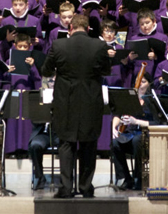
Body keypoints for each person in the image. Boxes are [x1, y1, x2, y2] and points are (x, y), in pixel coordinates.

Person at [41, 14, 111, 199]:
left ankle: (66, 188)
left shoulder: (58, 45)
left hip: (66, 101)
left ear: (70, 28)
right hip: (90, 100)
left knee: (66, 143)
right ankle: (86, 187)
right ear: (88, 29)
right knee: (88, 144)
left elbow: (46, 70)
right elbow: (106, 70)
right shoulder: (99, 45)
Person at [110, 71, 157, 190]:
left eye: (143, 81)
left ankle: (139, 178)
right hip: (130, 134)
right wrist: (113, 128)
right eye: (138, 81)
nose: (140, 84)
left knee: (138, 140)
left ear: (149, 84)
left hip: (147, 135)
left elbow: (157, 123)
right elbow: (118, 115)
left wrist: (136, 122)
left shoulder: (152, 100)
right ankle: (126, 178)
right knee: (115, 143)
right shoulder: (129, 98)